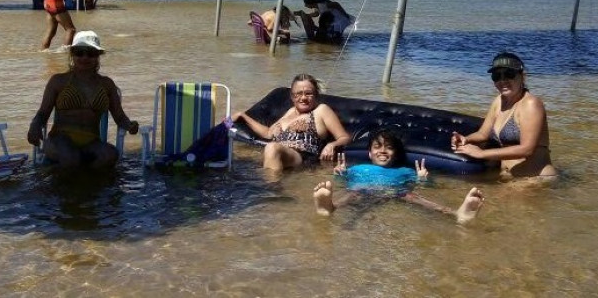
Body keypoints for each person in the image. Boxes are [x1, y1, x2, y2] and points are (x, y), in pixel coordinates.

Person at [312, 130, 485, 224]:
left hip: (396, 192)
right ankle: (329, 207)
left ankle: (457, 214)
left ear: (396, 153)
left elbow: (429, 187)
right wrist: (340, 174)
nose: (382, 151)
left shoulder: (405, 171)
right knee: (353, 193)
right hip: (363, 190)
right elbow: (344, 183)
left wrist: (423, 179)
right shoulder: (358, 168)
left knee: (415, 197)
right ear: (369, 153)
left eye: (389, 147)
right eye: (377, 147)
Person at [27, 30, 139, 170]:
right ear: (72, 54)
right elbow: (43, 113)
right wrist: (34, 126)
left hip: (90, 141)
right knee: (71, 158)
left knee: (110, 155)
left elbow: (120, 116)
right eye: (79, 52)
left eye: (91, 53)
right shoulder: (58, 81)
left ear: (98, 55)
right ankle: (69, 181)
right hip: (60, 139)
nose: (85, 58)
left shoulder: (107, 84)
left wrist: (130, 125)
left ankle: (82, 181)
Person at [451, 52, 558, 180]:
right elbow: (483, 134)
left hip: (534, 179)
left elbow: (527, 149)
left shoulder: (530, 104)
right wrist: (466, 139)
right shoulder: (499, 101)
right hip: (510, 178)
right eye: (497, 76)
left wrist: (481, 153)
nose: (502, 81)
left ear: (522, 76)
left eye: (509, 74)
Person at [230, 74, 351, 171]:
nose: (303, 98)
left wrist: (332, 145)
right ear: (292, 97)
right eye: (298, 94)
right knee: (238, 155)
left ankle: (269, 192)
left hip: (303, 158)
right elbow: (268, 133)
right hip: (279, 154)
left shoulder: (321, 110)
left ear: (316, 95)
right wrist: (243, 116)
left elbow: (344, 137)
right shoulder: (290, 112)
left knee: (272, 147)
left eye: (308, 93)